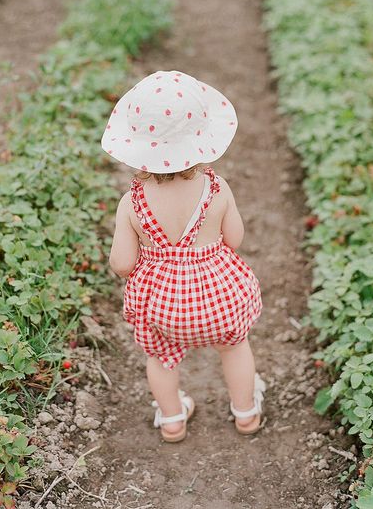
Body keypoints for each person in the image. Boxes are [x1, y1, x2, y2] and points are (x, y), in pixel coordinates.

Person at [101, 70, 264, 442]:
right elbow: (234, 239)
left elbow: (122, 263)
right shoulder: (217, 188)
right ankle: (246, 413)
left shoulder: (132, 202)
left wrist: (156, 261)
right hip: (219, 296)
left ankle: (173, 419)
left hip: (163, 306)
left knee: (159, 358)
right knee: (235, 347)